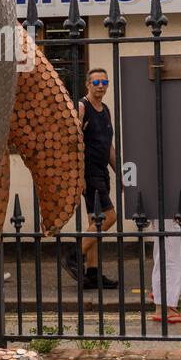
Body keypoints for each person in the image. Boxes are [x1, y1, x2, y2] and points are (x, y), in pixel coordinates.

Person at [66, 68, 118, 288]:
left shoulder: (104, 110)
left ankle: (93, 273)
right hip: (89, 172)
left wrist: (119, 173)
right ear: (87, 84)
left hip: (102, 171)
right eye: (96, 81)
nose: (100, 85)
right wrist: (77, 173)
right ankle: (73, 257)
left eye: (104, 81)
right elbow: (72, 141)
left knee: (93, 222)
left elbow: (108, 147)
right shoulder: (81, 107)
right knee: (108, 218)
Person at [150, 218, 181, 323]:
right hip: (167, 210)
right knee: (169, 255)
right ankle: (164, 305)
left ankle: (166, 292)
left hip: (177, 208)